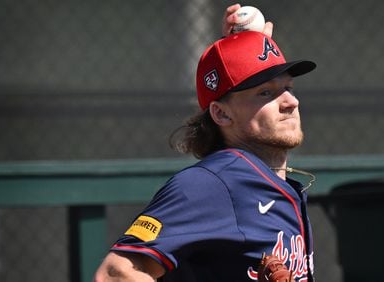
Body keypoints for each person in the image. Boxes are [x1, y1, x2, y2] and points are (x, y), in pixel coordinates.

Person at [94, 3, 317, 282]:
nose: (290, 102)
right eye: (265, 92)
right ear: (221, 113)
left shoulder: (273, 184)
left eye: (287, 88)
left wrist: (247, 48)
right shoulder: (212, 184)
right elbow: (117, 274)